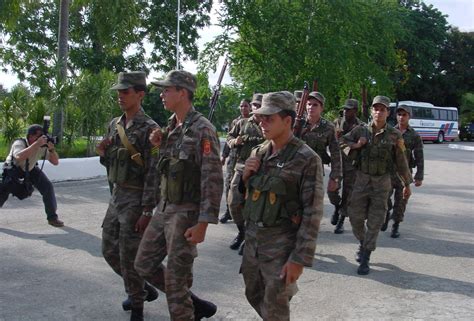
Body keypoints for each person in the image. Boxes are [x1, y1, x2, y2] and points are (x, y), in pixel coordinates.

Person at [134, 70, 223, 320]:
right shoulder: (172, 127)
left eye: (167, 90)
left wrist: (204, 223)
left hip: (186, 214)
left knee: (175, 280)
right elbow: (164, 169)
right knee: (143, 264)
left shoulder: (203, 129)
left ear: (182, 93)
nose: (162, 94)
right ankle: (191, 302)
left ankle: (184, 307)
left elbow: (212, 178)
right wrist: (157, 145)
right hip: (165, 209)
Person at [241, 91, 324, 320]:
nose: (262, 123)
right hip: (254, 243)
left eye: (269, 118)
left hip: (282, 246)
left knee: (276, 307)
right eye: (261, 118)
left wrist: (299, 259)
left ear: (287, 121)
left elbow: (313, 213)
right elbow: (246, 199)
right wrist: (244, 178)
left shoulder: (307, 159)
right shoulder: (258, 152)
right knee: (252, 292)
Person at [96, 71, 159, 321]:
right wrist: (103, 153)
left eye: (126, 92)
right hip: (117, 197)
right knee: (109, 250)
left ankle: (137, 307)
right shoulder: (116, 124)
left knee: (130, 255)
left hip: (136, 199)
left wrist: (147, 210)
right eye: (119, 92)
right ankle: (142, 290)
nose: (120, 96)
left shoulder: (150, 129)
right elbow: (112, 163)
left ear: (140, 94)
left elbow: (154, 172)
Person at [342, 95, 412, 275]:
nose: (378, 112)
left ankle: (365, 256)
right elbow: (342, 142)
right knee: (355, 217)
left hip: (382, 183)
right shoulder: (361, 130)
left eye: (382, 109)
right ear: (371, 111)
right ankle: (363, 242)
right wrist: (356, 145)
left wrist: (407, 184)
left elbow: (401, 161)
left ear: (388, 113)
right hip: (362, 181)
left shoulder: (395, 135)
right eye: (376, 108)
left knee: (375, 221)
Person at [0, 124, 64, 227]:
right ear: (30, 136)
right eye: (38, 136)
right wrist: (36, 144)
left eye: (42, 136)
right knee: (2, 194)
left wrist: (51, 149)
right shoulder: (20, 143)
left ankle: (52, 218)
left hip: (30, 168)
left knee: (47, 187)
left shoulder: (41, 145)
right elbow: (18, 157)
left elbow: (55, 162)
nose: (41, 138)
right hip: (13, 170)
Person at [226, 94, 264, 253]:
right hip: (241, 166)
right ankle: (242, 231)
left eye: (258, 105)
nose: (255, 108)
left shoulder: (269, 124)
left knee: (256, 206)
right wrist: (235, 142)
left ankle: (251, 237)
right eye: (254, 105)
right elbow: (229, 136)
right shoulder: (242, 123)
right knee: (233, 201)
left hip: (261, 169)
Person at [382, 105, 424, 238]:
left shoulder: (414, 135)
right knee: (384, 198)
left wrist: (419, 176)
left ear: (409, 117)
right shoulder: (389, 132)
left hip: (404, 173)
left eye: (404, 115)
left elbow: (419, 156)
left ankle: (396, 225)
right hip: (388, 172)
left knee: (401, 201)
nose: (401, 117)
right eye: (399, 114)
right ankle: (386, 213)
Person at [300, 91, 342, 216]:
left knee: (313, 201)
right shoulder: (298, 124)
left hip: (315, 170)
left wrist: (335, 177)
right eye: (308, 104)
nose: (310, 107)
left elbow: (335, 152)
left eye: (315, 105)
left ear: (321, 108)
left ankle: (337, 206)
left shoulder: (328, 127)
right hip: (296, 169)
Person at [330, 99, 365, 234]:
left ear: (355, 111)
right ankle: (337, 206)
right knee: (332, 191)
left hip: (352, 164)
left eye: (348, 109)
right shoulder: (337, 123)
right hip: (337, 162)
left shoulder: (361, 126)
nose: (345, 111)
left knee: (348, 193)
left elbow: (362, 144)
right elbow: (333, 141)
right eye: (344, 109)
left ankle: (341, 221)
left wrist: (353, 144)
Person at [219, 99, 251, 224]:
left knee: (241, 188)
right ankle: (228, 211)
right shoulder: (236, 122)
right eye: (241, 106)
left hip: (244, 160)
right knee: (228, 185)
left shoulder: (255, 122)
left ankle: (242, 213)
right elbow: (229, 140)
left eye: (246, 106)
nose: (243, 108)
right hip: (232, 158)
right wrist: (224, 155)